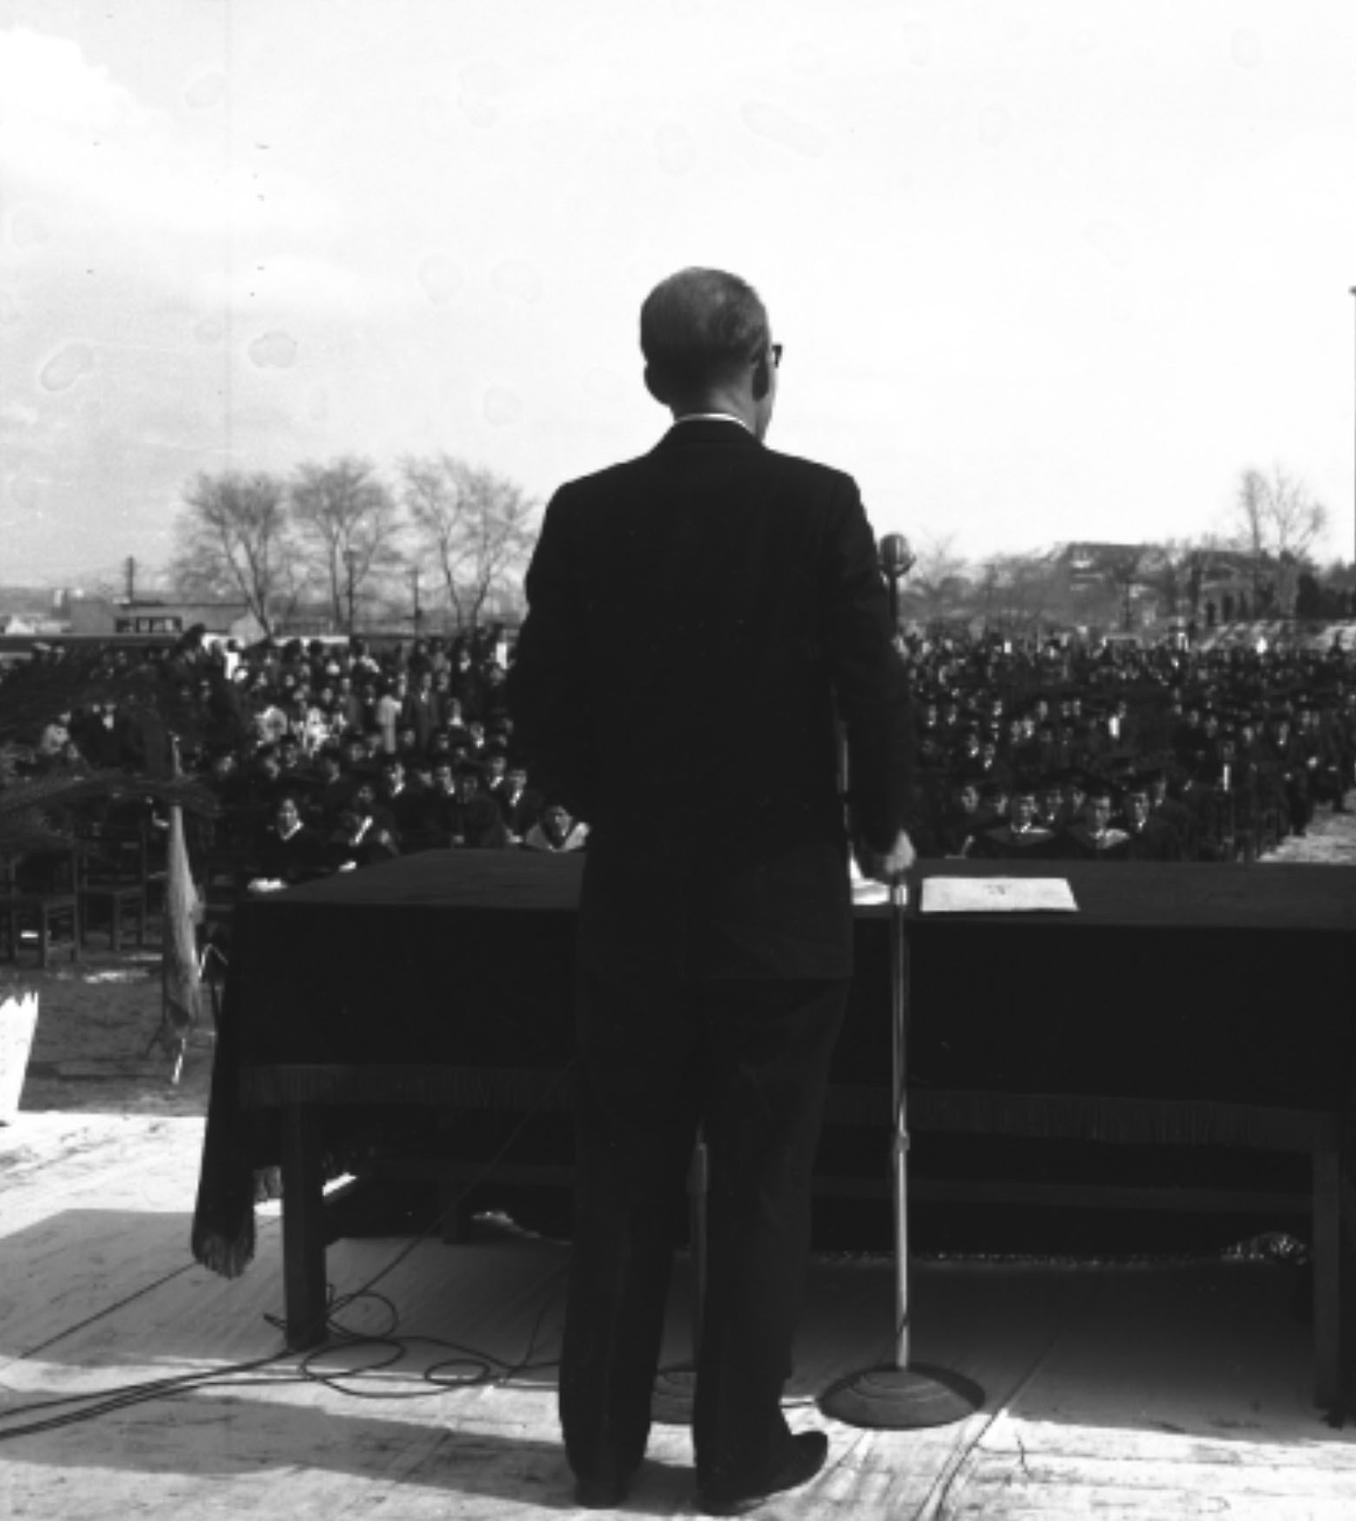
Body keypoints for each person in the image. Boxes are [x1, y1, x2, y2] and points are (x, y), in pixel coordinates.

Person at [509, 267, 913, 1514]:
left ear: (649, 378)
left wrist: (599, 794)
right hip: (778, 913)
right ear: (766, 365)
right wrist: (883, 830)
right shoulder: (818, 504)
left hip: (634, 906)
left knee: (621, 1175)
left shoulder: (584, 511)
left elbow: (539, 699)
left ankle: (600, 1450)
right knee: (758, 1185)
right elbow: (871, 684)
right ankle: (738, 1450)